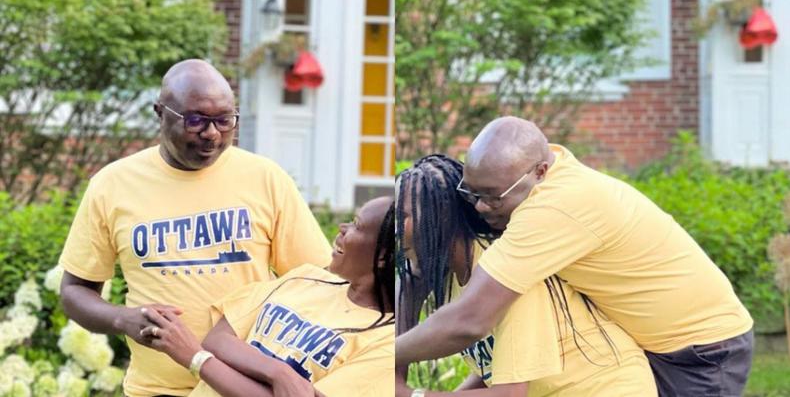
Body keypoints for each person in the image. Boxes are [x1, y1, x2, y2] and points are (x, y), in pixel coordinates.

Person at [396, 117, 754, 396]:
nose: (479, 206)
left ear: (540, 171)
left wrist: (385, 357)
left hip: (700, 348)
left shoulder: (554, 209)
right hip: (642, 345)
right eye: (470, 192)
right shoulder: (545, 179)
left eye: (493, 195)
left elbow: (469, 321)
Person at [58, 59, 332, 396]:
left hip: (246, 388)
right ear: (160, 113)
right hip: (156, 389)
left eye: (224, 121)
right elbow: (74, 292)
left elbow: (318, 284)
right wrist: (123, 319)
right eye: (195, 120)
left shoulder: (265, 178)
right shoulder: (112, 184)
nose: (212, 134)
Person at [395, 155, 656, 396]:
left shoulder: (502, 273)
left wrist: (411, 394)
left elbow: (509, 393)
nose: (392, 229)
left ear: (439, 217)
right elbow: (495, 370)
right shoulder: (454, 274)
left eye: (401, 216)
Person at [137, 196, 396, 397]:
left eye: (357, 225)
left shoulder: (386, 342)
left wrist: (194, 358)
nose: (342, 228)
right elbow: (218, 339)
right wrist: (278, 373)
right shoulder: (305, 278)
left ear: (383, 256)